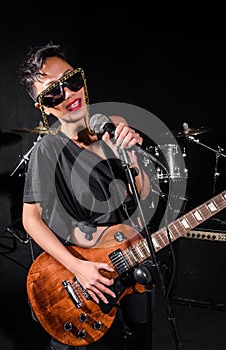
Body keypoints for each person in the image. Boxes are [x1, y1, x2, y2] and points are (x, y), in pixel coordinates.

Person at [18, 42, 154, 350]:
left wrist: (131, 157)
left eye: (71, 80)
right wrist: (78, 267)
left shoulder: (113, 124)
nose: (68, 94)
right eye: (53, 92)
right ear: (43, 106)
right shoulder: (47, 152)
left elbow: (142, 195)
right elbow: (30, 219)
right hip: (81, 270)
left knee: (138, 335)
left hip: (130, 256)